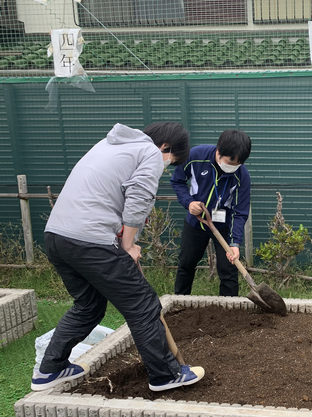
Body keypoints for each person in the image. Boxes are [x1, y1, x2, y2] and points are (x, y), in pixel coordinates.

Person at [33, 122, 205, 393]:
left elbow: (109, 197)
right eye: (171, 161)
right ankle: (165, 375)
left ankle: (50, 369)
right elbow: (138, 197)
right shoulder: (149, 152)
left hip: (57, 236)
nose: (166, 166)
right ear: (166, 148)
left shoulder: (109, 146)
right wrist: (127, 246)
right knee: (143, 304)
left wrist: (125, 241)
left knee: (88, 305)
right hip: (90, 238)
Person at [171, 129, 251, 297]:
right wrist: (189, 202)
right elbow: (177, 181)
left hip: (224, 226)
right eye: (231, 162)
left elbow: (240, 212)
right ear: (219, 151)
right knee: (186, 265)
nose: (233, 167)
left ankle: (229, 311)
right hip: (196, 222)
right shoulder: (195, 156)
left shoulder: (242, 175)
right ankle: (179, 302)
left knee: (229, 270)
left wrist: (235, 243)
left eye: (238, 163)